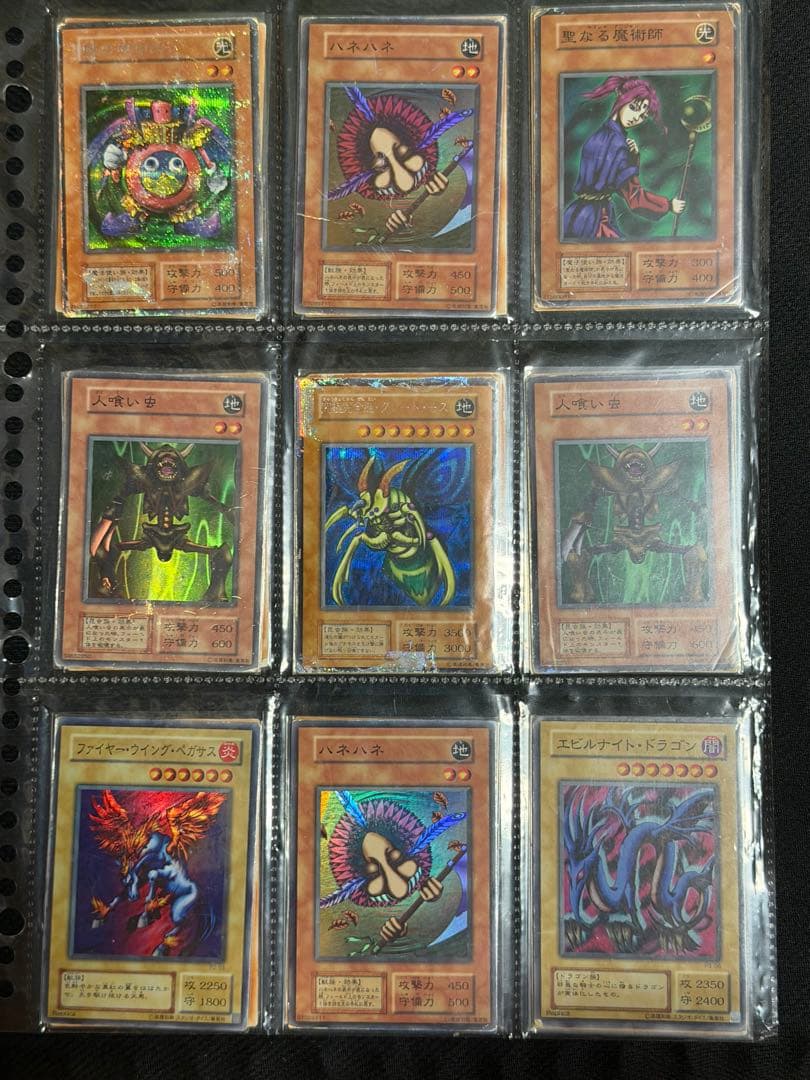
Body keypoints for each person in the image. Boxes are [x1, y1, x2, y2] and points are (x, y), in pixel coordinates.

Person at [562, 75, 685, 240]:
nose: (636, 118)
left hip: (574, 215)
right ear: (621, 99)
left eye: (643, 116)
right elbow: (635, 199)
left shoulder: (600, 135)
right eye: (634, 107)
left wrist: (632, 159)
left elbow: (611, 177)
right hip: (597, 222)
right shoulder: (618, 144)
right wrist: (669, 205)